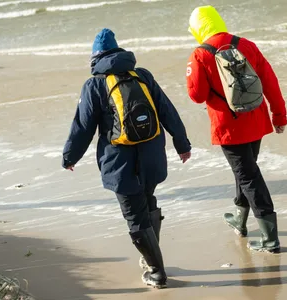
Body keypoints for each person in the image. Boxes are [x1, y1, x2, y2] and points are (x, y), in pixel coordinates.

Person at [62, 28, 191, 288]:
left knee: (134, 215)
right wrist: (182, 143)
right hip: (152, 155)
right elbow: (167, 110)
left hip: (119, 161)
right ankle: (151, 258)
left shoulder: (95, 85)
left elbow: (83, 126)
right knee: (147, 200)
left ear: (95, 58)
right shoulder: (142, 76)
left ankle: (156, 272)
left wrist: (69, 156)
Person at [186, 6, 287, 253]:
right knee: (245, 170)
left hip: (229, 126)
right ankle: (240, 221)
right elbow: (270, 80)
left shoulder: (199, 54)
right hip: (256, 119)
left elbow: (197, 96)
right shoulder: (247, 45)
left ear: (198, 28)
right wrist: (279, 114)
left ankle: (270, 239)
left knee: (248, 175)